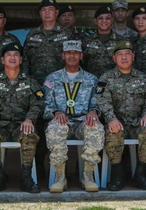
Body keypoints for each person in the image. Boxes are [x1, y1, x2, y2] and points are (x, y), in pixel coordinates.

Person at [0, 41, 44, 194]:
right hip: (1, 126)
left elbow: (38, 103)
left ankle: (26, 177)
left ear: (21, 59)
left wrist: (30, 119)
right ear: (2, 60)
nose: (12, 58)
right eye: (8, 55)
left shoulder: (30, 82)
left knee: (29, 134)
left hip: (20, 126)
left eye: (16, 55)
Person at [43, 40, 103, 193]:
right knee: (55, 128)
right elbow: (46, 104)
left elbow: (97, 103)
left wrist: (93, 111)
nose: (72, 56)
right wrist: (56, 112)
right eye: (68, 53)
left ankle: (88, 176)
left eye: (75, 53)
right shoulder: (51, 79)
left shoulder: (92, 79)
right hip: (62, 121)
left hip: (83, 121)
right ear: (63, 56)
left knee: (95, 127)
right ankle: (60, 177)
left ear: (81, 55)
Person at [96, 40, 146, 191]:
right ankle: (118, 175)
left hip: (137, 123)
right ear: (114, 58)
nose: (124, 58)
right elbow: (103, 101)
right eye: (120, 55)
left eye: (127, 54)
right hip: (118, 122)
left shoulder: (143, 78)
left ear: (133, 56)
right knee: (112, 133)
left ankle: (141, 174)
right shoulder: (106, 78)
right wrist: (111, 119)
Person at [23, 0, 71, 85]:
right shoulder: (32, 34)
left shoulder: (66, 33)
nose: (47, 12)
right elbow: (24, 59)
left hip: (61, 83)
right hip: (36, 83)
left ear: (56, 12)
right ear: (40, 13)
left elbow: (74, 59)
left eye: (50, 9)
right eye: (44, 10)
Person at [82, 4, 119, 76]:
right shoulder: (86, 41)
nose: (104, 21)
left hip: (114, 83)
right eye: (100, 18)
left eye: (108, 18)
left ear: (112, 20)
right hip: (91, 82)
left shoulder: (121, 41)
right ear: (95, 21)